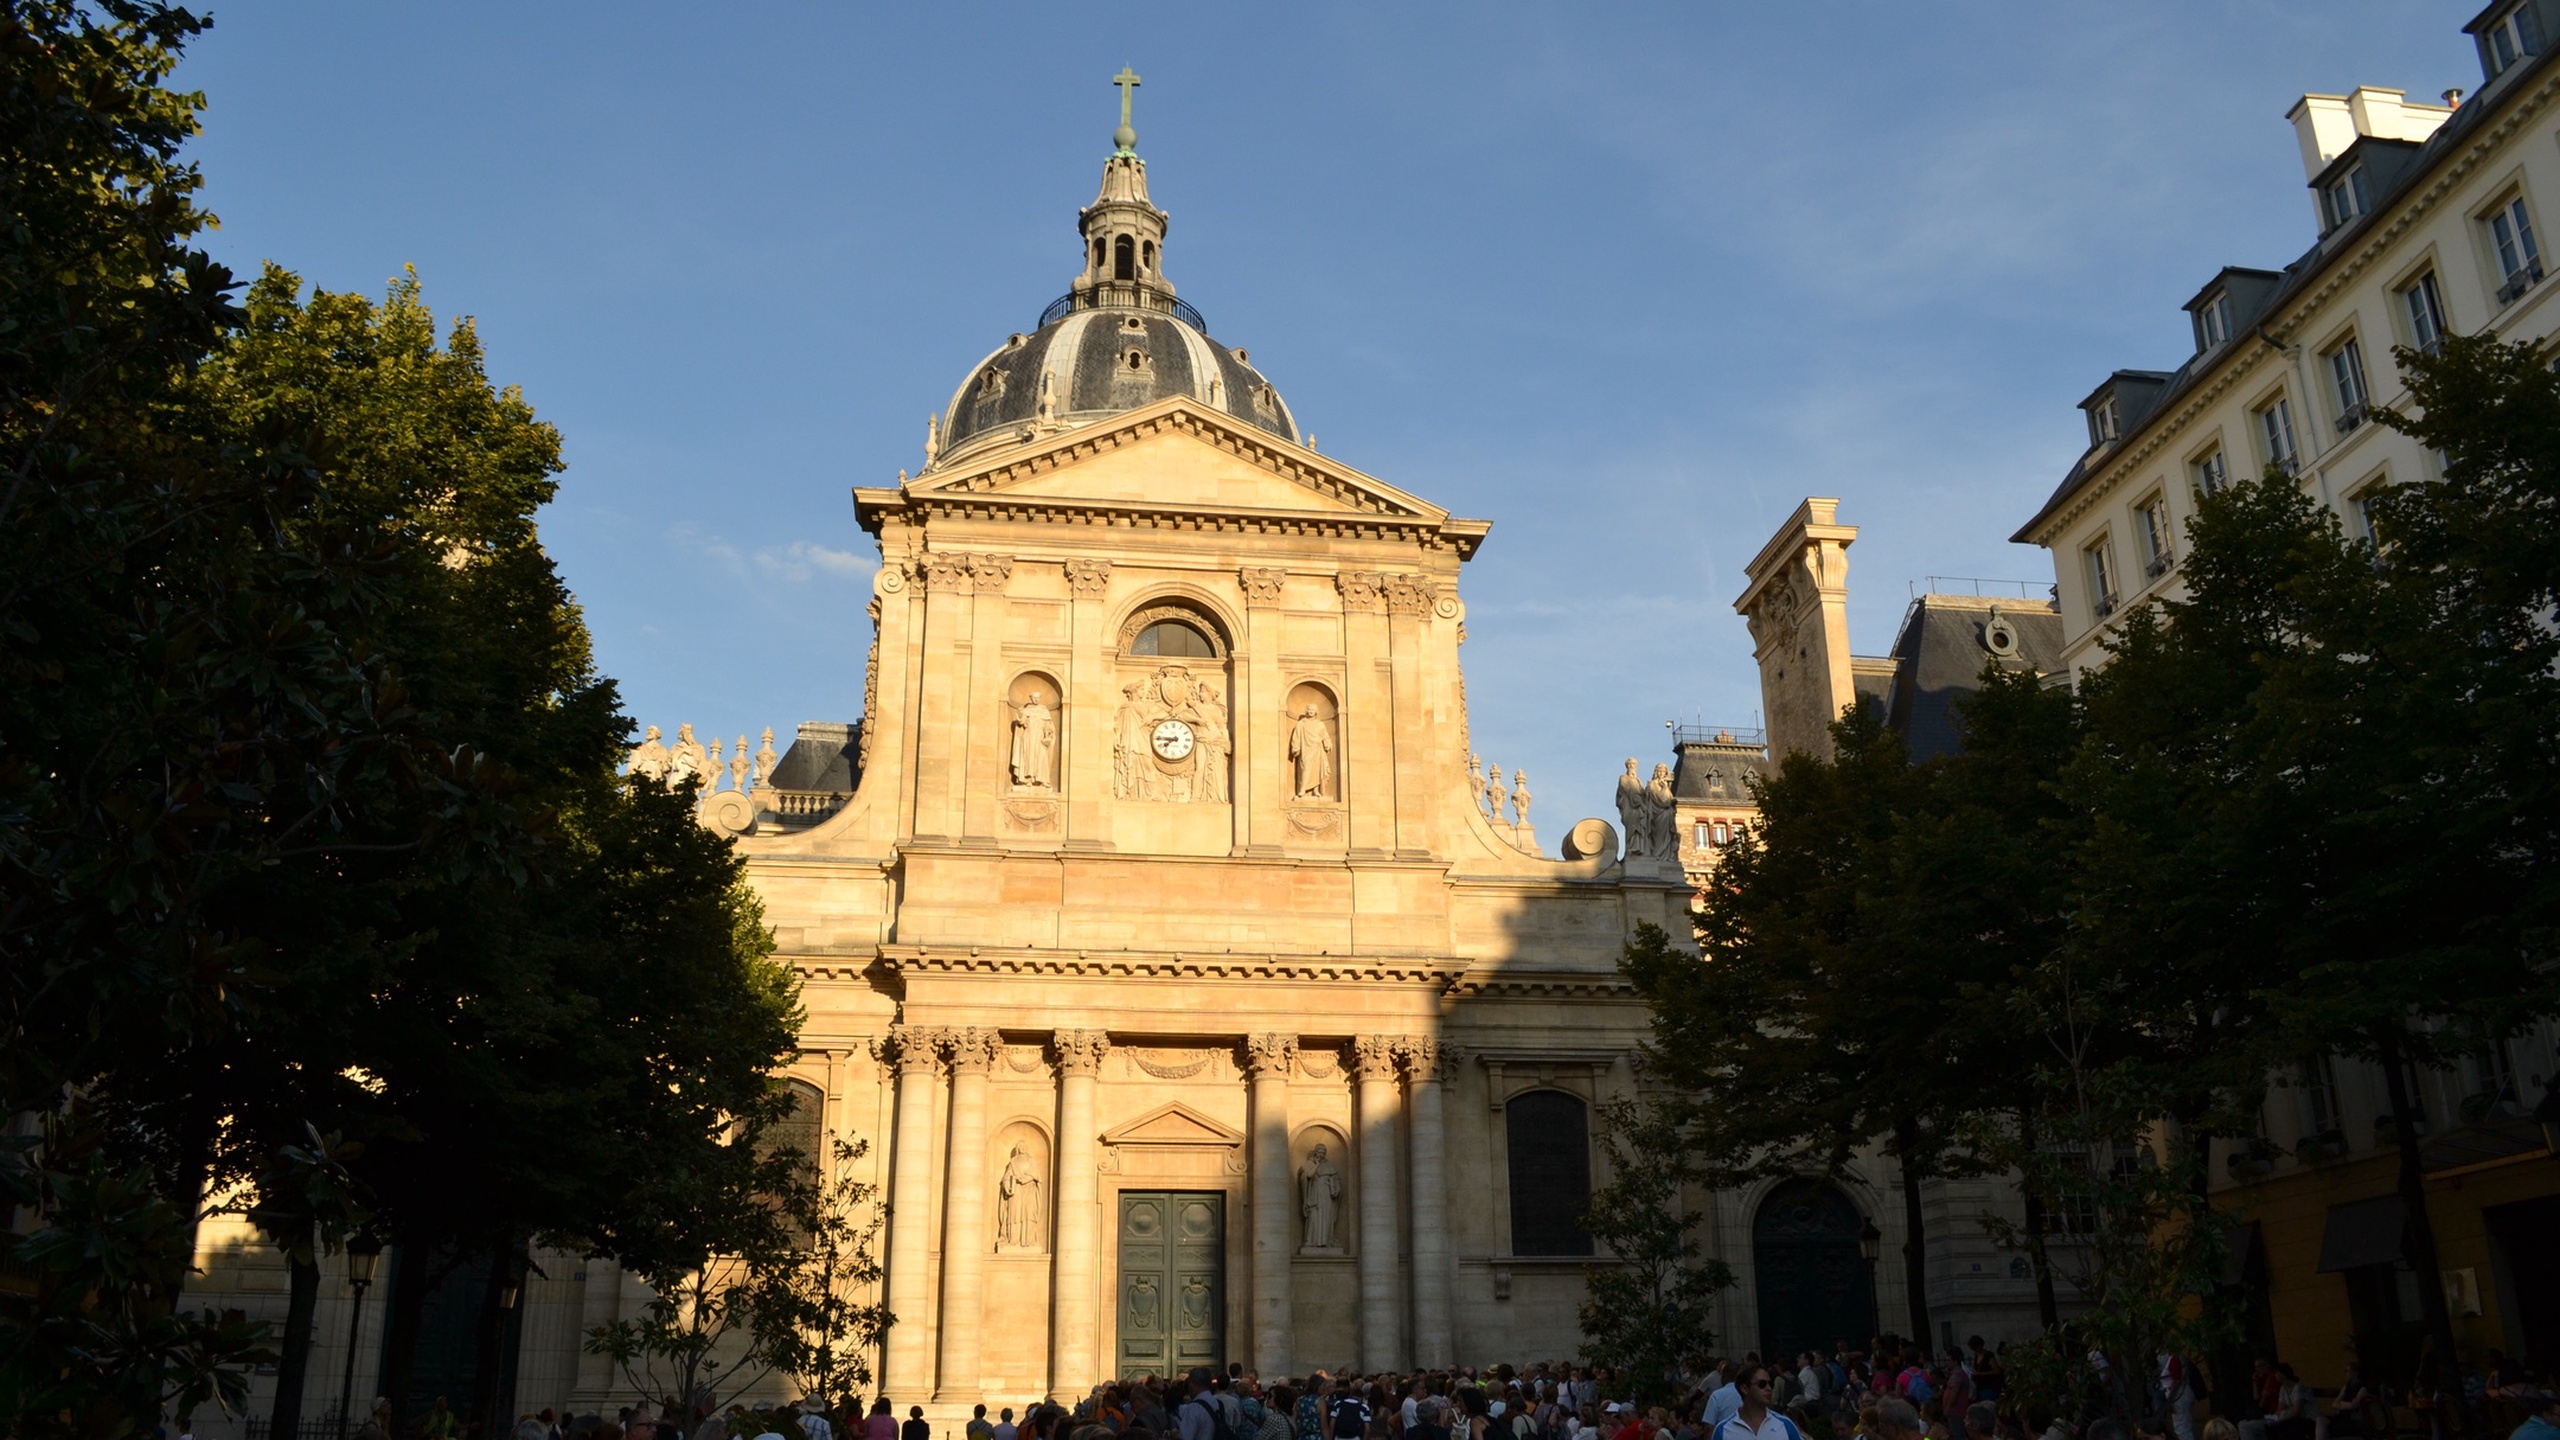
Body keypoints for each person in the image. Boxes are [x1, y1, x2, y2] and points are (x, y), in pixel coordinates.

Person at [1711, 1366, 1804, 1440]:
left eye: (1770, 1384)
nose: (1768, 1389)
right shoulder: (1723, 1430)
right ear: (1745, 1389)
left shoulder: (1785, 1425)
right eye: (1762, 1384)